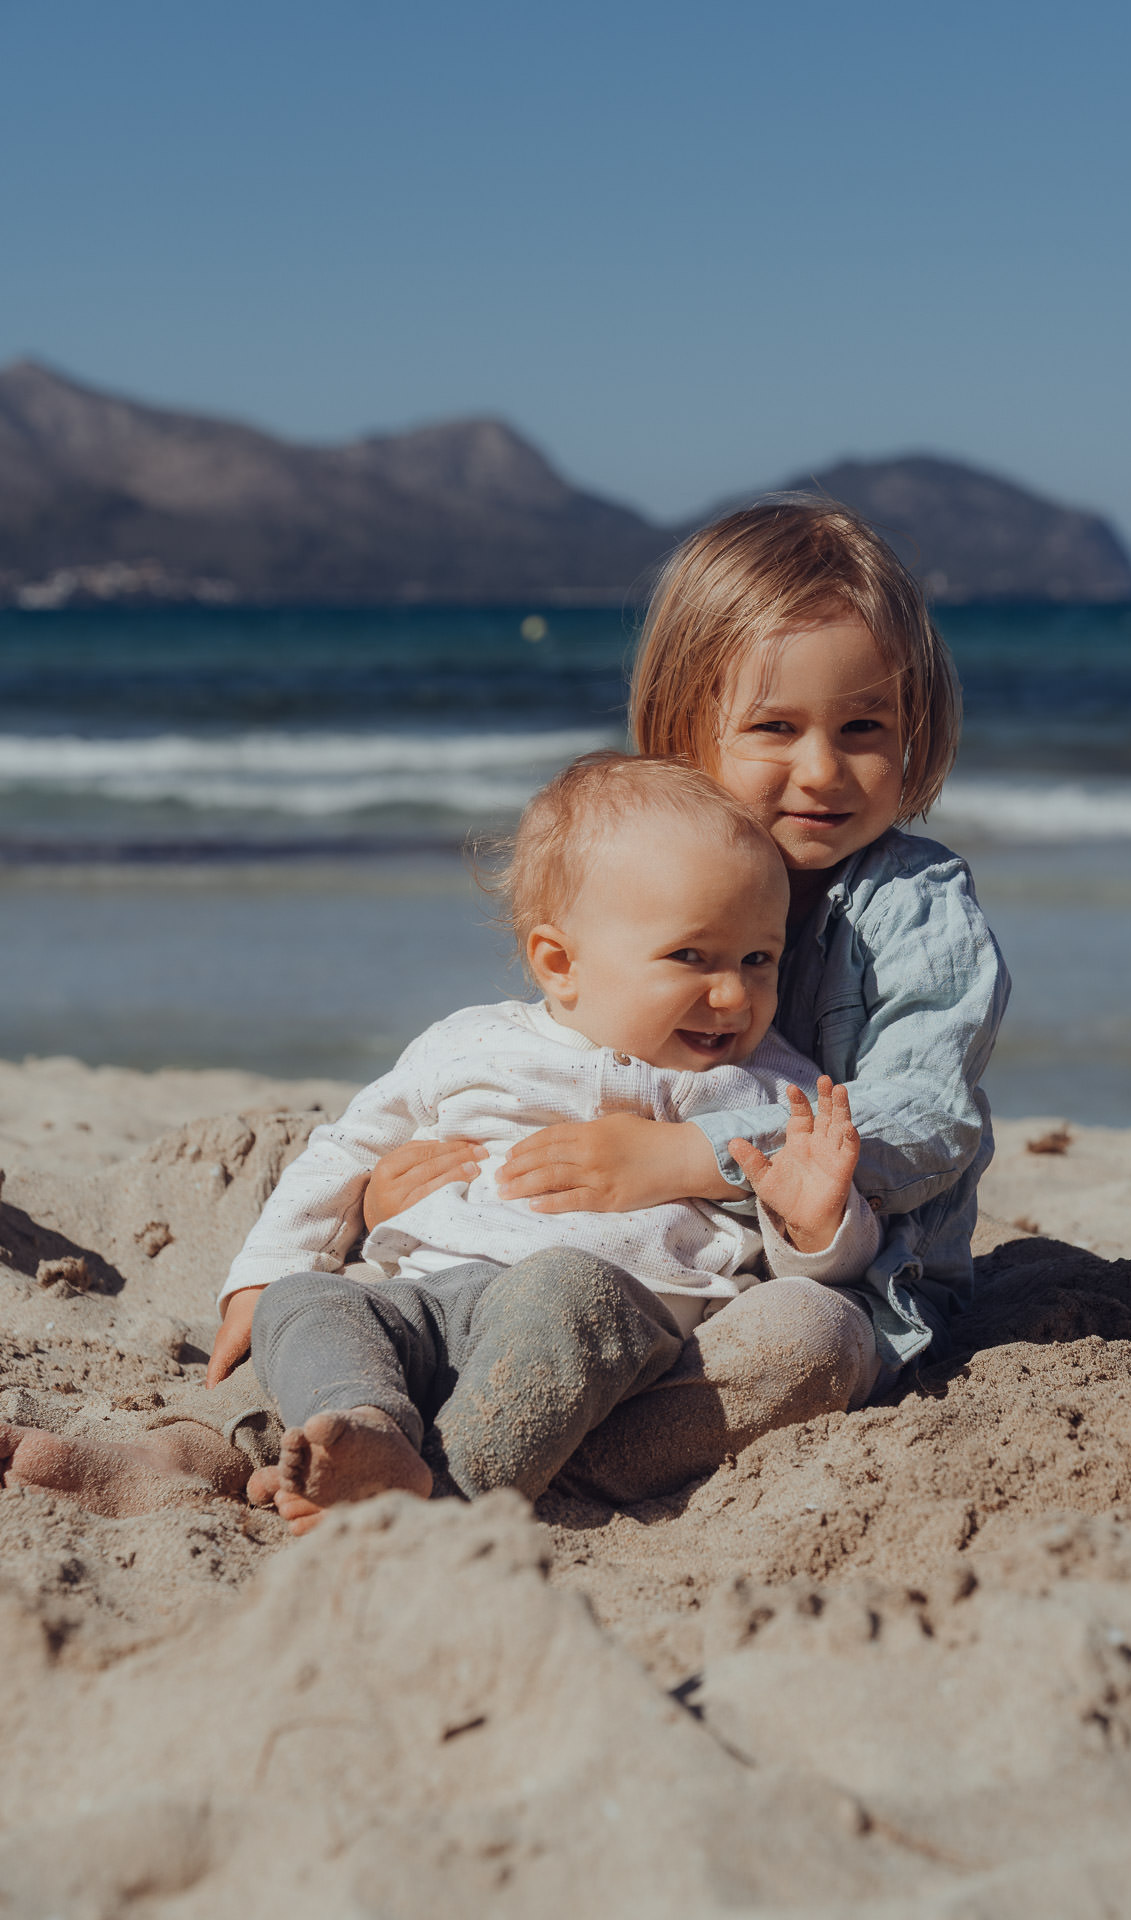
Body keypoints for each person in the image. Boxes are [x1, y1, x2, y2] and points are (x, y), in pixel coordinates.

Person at [1, 754, 882, 1525]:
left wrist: (815, 1228)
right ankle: (277, 1449)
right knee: (311, 1310)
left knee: (816, 1327)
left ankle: (438, 1493)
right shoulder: (470, 1044)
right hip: (422, 1304)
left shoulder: (771, 1084)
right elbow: (344, 1152)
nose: (733, 996)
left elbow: (808, 1233)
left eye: (757, 960)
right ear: (559, 963)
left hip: (620, 1340)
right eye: (693, 958)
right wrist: (263, 1276)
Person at [364, 496, 1010, 1381]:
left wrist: (689, 1155)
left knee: (802, 1341)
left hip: (856, 1279)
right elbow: (572, 1058)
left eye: (864, 728)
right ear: (685, 730)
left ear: (916, 727)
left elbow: (934, 1118)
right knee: (463, 1302)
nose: (822, 770)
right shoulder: (652, 870)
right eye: (775, 727)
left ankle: (652, 1435)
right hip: (645, 1253)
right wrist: (416, 1181)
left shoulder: (916, 910)